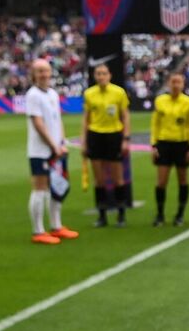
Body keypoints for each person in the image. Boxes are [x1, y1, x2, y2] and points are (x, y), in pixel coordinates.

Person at [25, 59, 78, 245]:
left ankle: (56, 226)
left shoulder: (53, 94)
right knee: (40, 189)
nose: (44, 74)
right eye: (40, 71)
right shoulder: (33, 95)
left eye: (46, 70)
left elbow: (57, 120)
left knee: (57, 188)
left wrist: (61, 143)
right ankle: (38, 231)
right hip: (40, 151)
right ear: (33, 74)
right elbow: (38, 124)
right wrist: (53, 145)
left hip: (56, 149)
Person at [81, 63, 131, 227]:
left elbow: (125, 116)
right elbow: (86, 119)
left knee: (117, 177)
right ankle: (102, 216)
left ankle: (121, 215)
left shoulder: (119, 92)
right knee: (99, 179)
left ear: (109, 75)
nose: (101, 76)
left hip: (114, 135)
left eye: (104, 73)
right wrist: (84, 141)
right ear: (94, 76)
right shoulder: (89, 93)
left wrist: (126, 138)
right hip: (95, 136)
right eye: (98, 73)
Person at [150, 73, 189, 227]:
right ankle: (160, 214)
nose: (176, 85)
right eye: (173, 82)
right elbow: (155, 124)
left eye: (179, 82)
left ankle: (180, 214)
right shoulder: (160, 101)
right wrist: (154, 145)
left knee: (183, 179)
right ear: (168, 83)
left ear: (183, 84)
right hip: (163, 144)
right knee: (161, 181)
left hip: (182, 145)